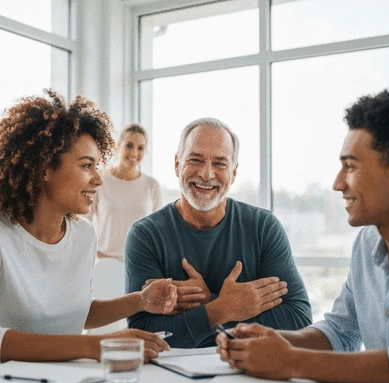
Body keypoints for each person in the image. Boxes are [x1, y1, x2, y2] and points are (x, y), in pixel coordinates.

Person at [216, 89, 389, 383]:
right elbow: (341, 331)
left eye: (351, 166)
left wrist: (290, 360)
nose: (338, 183)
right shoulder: (366, 245)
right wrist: (270, 341)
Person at [0, 89, 177, 363]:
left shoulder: (83, 234)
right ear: (45, 167)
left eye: (97, 166)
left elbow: (77, 312)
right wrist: (96, 345)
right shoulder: (4, 236)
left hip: (73, 382)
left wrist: (140, 301)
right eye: (86, 166)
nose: (99, 180)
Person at [125, 117, 312, 348]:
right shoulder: (145, 235)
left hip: (250, 372)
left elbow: (298, 321)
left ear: (233, 172)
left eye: (220, 164)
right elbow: (142, 335)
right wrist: (221, 308)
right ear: (176, 164)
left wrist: (208, 302)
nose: (206, 174)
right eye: (195, 160)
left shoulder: (263, 227)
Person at [86, 123, 162, 261]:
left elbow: (158, 232)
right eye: (129, 145)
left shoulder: (152, 186)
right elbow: (84, 222)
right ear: (118, 145)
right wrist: (92, 252)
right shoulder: (100, 180)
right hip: (105, 263)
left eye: (140, 148)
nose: (134, 153)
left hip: (140, 263)